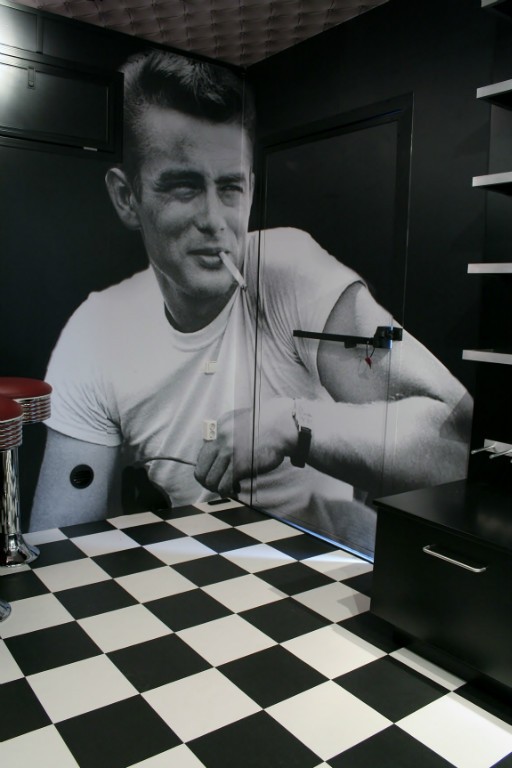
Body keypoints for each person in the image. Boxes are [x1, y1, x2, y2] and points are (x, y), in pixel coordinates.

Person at [29, 49, 472, 555]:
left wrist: (291, 424)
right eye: (184, 187)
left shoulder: (288, 272)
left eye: (231, 188)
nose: (215, 220)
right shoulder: (96, 331)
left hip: (327, 569)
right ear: (127, 197)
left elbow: (454, 445)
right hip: (192, 579)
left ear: (252, 189)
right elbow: (57, 546)